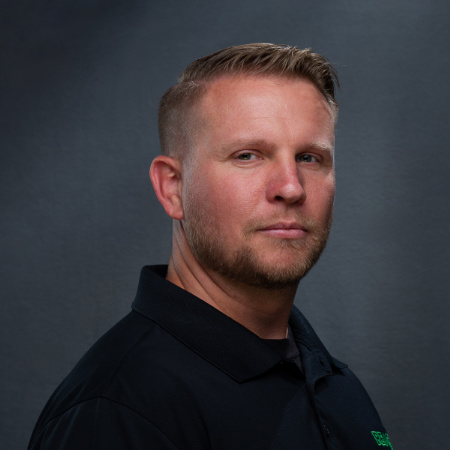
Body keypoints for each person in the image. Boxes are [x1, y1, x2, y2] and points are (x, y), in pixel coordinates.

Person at [28, 43, 393, 450]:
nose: (291, 187)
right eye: (248, 155)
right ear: (173, 187)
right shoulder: (117, 411)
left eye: (309, 158)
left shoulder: (336, 386)